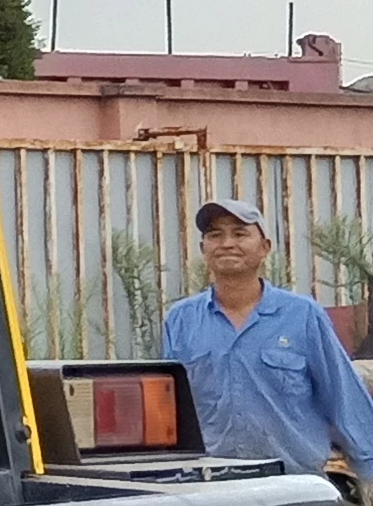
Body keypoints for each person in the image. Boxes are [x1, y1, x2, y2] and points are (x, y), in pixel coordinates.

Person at [159, 195, 373, 475]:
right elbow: (169, 409)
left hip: (292, 483)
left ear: (265, 247)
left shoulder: (302, 315)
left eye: (240, 234)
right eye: (215, 235)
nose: (227, 243)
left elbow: (343, 396)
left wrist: (369, 469)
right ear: (203, 248)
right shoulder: (181, 320)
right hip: (209, 485)